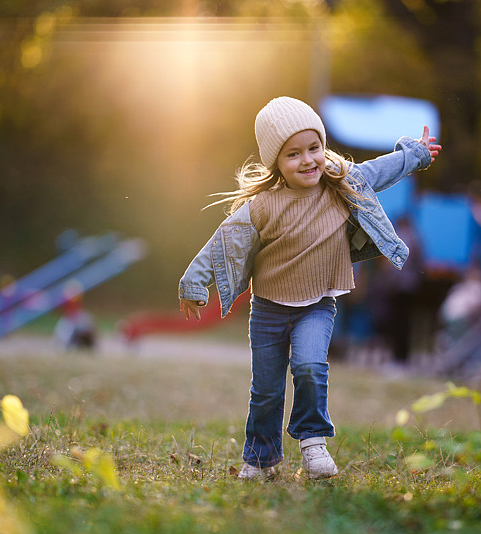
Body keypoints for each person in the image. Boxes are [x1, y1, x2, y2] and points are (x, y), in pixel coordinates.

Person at [177, 96, 441, 480]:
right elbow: (225, 241)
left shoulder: (340, 185)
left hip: (318, 304)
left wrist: (414, 155)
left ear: (323, 146)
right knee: (266, 389)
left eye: (314, 148)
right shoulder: (264, 206)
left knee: (310, 366)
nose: (308, 160)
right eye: (293, 154)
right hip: (268, 310)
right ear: (276, 164)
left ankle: (313, 442)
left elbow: (380, 170)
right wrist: (193, 282)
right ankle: (261, 458)